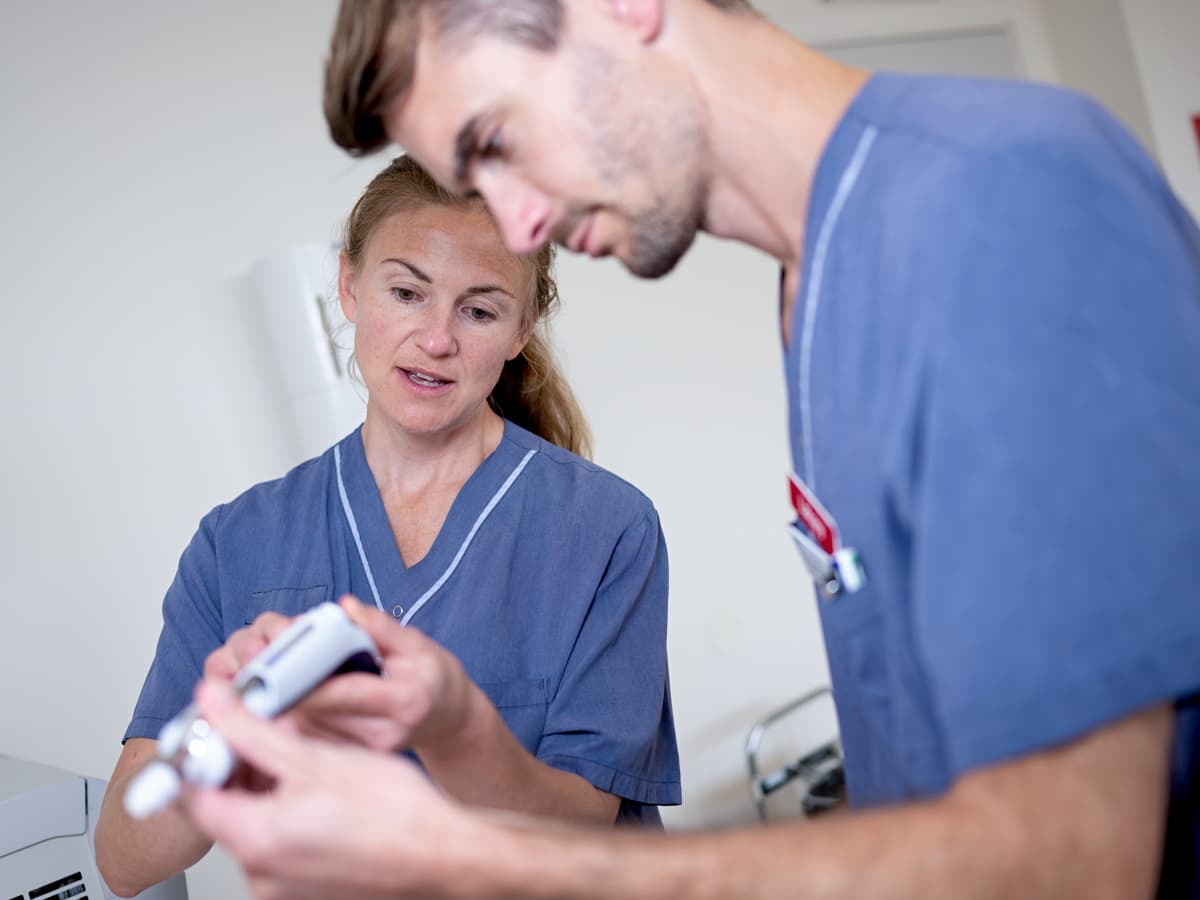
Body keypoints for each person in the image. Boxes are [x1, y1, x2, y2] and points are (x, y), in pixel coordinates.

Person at [184, 0, 1200, 897]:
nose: (522, 217)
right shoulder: (822, 284)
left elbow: (1069, 863)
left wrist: (471, 858)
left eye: (497, 140)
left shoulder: (1000, 199)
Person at [93, 153, 681, 898]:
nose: (436, 339)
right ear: (348, 285)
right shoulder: (239, 542)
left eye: (479, 309)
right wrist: (235, 742)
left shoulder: (604, 529)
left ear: (522, 328)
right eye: (406, 292)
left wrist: (451, 727)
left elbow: (575, 839)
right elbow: (123, 860)